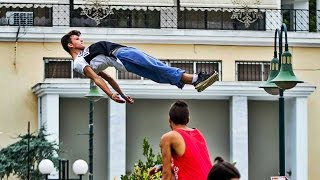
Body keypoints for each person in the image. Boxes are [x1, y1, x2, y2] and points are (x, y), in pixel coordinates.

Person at [61, 30, 219, 104]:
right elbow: (100, 78)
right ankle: (195, 80)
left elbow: (107, 77)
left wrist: (121, 94)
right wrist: (111, 95)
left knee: (158, 68)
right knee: (157, 75)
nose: (81, 40)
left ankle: (195, 79)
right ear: (70, 45)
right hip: (124, 58)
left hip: (124, 55)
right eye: (77, 39)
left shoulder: (85, 58)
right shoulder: (79, 62)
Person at [148, 100, 212, 180]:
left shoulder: (168, 137)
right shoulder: (198, 133)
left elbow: (166, 175)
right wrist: (162, 166)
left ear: (169, 119)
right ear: (188, 120)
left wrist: (164, 169)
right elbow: (191, 166)